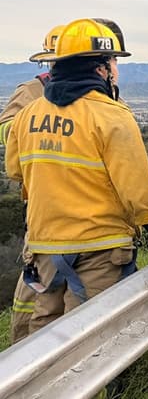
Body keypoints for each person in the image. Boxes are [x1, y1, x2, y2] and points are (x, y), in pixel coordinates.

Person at [4, 18, 148, 338]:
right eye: (113, 61)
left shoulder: (28, 116)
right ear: (100, 68)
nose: (116, 68)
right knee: (88, 339)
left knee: (42, 334)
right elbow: (137, 187)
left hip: (45, 245)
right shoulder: (112, 115)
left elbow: (17, 171)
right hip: (99, 247)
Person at [0, 24, 63, 344]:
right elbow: (7, 133)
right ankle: (21, 355)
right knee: (35, 291)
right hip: (42, 208)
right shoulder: (32, 91)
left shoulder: (95, 93)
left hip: (79, 211)